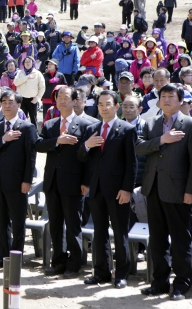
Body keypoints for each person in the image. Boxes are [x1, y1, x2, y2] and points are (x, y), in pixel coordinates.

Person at [136, 84, 192, 300]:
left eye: (171, 96)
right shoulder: (151, 123)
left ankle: (182, 284)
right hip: (152, 189)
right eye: (163, 96)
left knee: (180, 241)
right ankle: (159, 282)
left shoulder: (188, 123)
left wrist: (189, 191)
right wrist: (161, 140)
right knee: (157, 240)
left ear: (180, 100)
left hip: (178, 192)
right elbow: (139, 147)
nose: (166, 99)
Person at [77, 90, 137, 288]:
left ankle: (121, 274)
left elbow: (132, 163)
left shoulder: (126, 129)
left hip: (118, 190)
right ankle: (101, 272)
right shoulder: (92, 129)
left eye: (108, 104)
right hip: (96, 190)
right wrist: (86, 145)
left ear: (116, 106)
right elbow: (82, 158)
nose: (104, 107)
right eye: (101, 104)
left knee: (120, 233)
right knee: (99, 233)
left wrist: (127, 189)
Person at [36, 86, 94, 279]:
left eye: (66, 97)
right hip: (52, 182)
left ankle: (74, 264)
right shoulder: (50, 124)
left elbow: (89, 157)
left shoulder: (85, 125)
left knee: (73, 225)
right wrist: (57, 140)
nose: (61, 101)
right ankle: (58, 261)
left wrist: (86, 182)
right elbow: (39, 145)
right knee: (55, 225)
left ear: (75, 100)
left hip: (74, 183)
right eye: (58, 97)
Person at [0, 89, 37, 268]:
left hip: (17, 182)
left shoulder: (27, 127)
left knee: (18, 222)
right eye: (4, 101)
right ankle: (3, 257)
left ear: (19, 105)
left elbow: (31, 156)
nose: (7, 105)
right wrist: (4, 139)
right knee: (2, 221)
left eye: (10, 102)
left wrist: (27, 180)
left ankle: (16, 258)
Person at [14, 56, 45, 125]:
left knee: (33, 119)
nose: (27, 63)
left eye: (29, 62)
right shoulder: (20, 72)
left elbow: (42, 87)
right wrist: (27, 77)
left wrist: (37, 98)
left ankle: (34, 134)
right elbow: (16, 83)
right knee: (21, 118)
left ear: (33, 63)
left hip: (32, 100)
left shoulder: (37, 73)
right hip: (21, 99)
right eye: (26, 62)